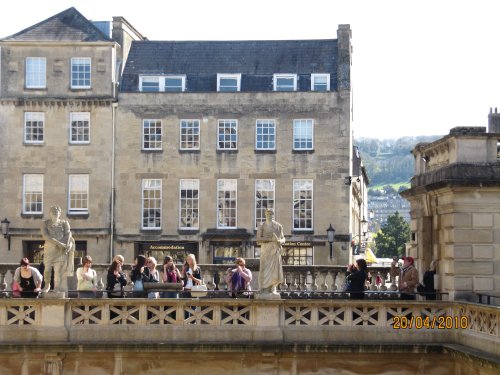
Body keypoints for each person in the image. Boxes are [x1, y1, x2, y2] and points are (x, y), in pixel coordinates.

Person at [40, 205, 75, 293]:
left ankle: (56, 287)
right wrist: (59, 243)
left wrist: (67, 244)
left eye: (56, 212)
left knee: (57, 271)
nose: (55, 213)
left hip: (60, 251)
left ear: (59, 213)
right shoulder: (45, 223)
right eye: (53, 212)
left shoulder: (64, 223)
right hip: (49, 249)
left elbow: (68, 235)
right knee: (47, 269)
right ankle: (47, 285)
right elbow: (46, 236)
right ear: (50, 213)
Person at [256, 209, 285, 297]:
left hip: (275, 250)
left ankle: (273, 288)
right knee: (264, 269)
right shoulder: (262, 225)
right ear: (265, 214)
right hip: (265, 250)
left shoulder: (278, 226)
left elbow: (284, 238)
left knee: (275, 269)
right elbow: (258, 239)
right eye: (268, 213)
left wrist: (280, 241)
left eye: (271, 213)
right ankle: (263, 288)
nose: (270, 215)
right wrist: (270, 239)